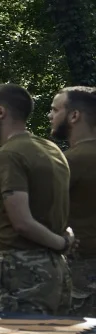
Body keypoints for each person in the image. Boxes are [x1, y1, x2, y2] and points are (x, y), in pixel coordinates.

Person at [0, 83, 74, 313]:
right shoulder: (50, 148)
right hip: (56, 272)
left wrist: (62, 243)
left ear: (0, 112)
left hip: (22, 271)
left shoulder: (9, 154)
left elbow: (22, 223)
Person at [51, 86, 96, 315]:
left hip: (83, 270)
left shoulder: (70, 161)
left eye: (55, 109)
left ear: (74, 115)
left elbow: (34, 206)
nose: (51, 115)